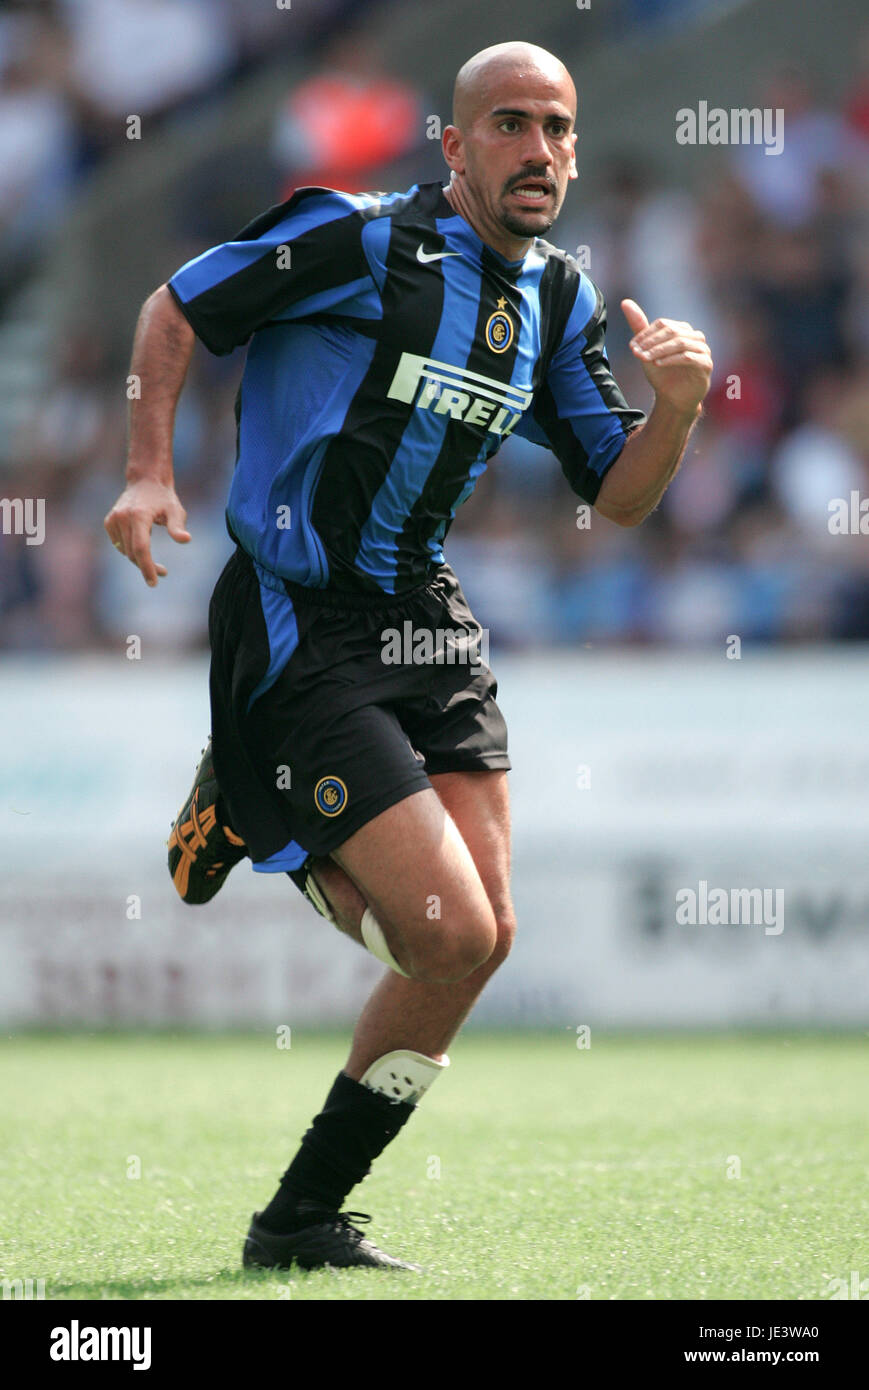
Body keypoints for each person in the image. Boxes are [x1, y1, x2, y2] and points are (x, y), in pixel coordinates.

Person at [104, 41, 712, 1273]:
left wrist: (679, 409)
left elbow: (621, 493)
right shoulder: (358, 239)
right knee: (444, 933)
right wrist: (146, 471)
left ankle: (297, 1222)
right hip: (299, 610)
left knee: (483, 938)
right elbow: (177, 306)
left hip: (425, 621)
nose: (536, 150)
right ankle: (249, 799)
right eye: (507, 125)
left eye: (554, 128)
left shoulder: (558, 301)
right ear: (451, 144)